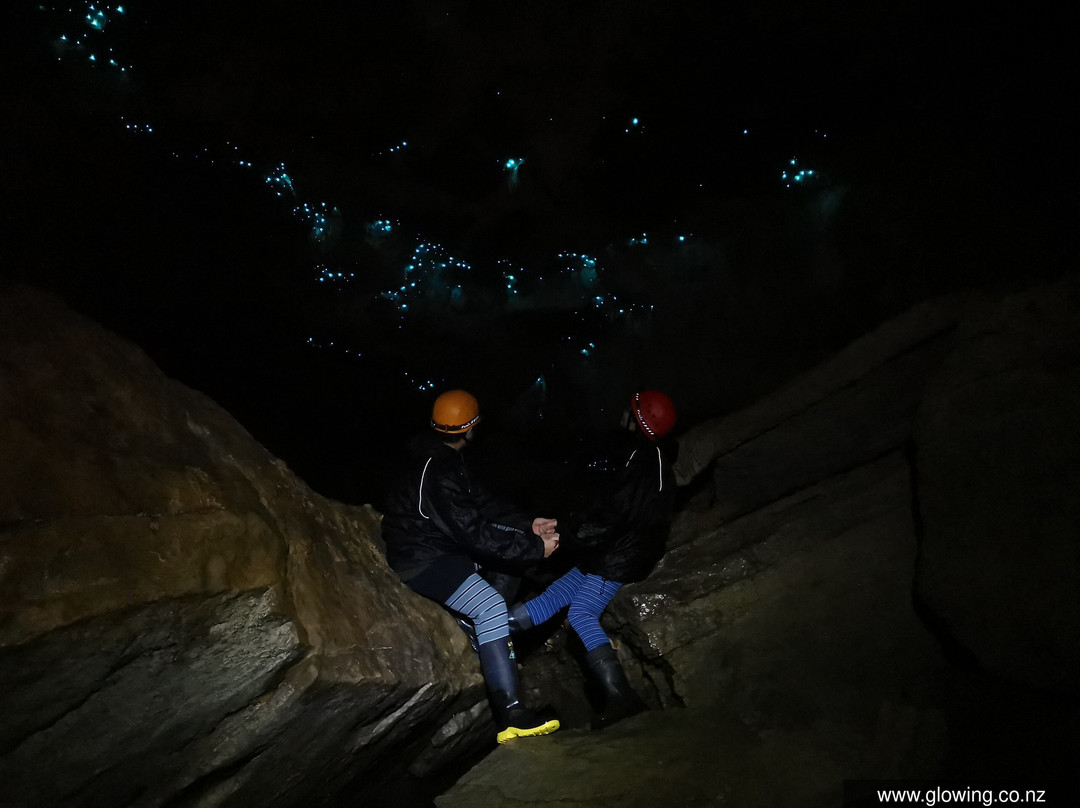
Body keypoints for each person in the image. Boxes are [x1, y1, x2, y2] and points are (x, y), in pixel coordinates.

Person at [381, 389, 562, 743]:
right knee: (493, 604)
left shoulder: (442, 455)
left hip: (434, 544)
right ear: (470, 428)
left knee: (508, 553)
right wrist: (535, 549)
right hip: (422, 559)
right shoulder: (439, 469)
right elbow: (475, 532)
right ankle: (512, 715)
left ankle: (477, 626)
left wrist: (528, 525)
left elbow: (481, 505)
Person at [508, 389, 678, 729]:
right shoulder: (657, 459)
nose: (622, 413)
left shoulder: (637, 459)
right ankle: (500, 626)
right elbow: (609, 509)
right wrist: (570, 525)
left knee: (581, 614)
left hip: (620, 558)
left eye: (629, 410)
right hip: (616, 551)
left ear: (637, 420)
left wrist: (565, 537)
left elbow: (611, 517)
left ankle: (621, 697)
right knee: (555, 595)